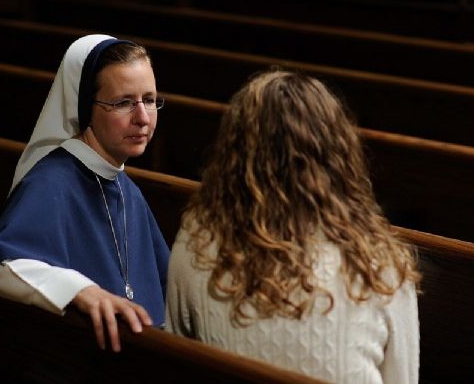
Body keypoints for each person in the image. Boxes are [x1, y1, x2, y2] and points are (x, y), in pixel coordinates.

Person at [165, 70, 420, 383]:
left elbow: (177, 361)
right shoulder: (381, 265)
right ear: (336, 154)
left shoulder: (196, 241)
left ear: (234, 154)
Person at [0, 34, 170, 352]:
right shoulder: (52, 181)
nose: (143, 118)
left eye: (149, 100)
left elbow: (164, 285)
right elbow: (0, 267)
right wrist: (80, 289)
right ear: (84, 108)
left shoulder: (124, 186)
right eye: (123, 102)